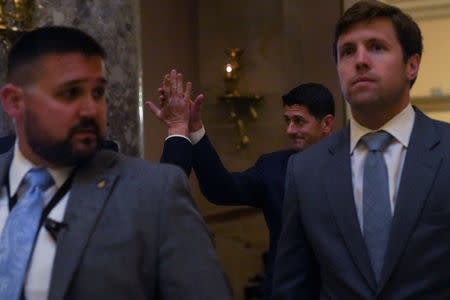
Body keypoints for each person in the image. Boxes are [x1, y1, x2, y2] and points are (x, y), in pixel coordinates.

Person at [0, 26, 231, 300]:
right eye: (70, 93)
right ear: (15, 102)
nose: (90, 109)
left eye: (98, 93)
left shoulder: (155, 193)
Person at [273, 1, 450, 299]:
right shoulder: (305, 169)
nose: (361, 60)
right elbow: (293, 285)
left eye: (377, 47)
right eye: (348, 52)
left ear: (412, 65)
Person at [147, 72, 335, 299]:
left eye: (299, 121)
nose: (290, 130)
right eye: (288, 121)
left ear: (326, 124)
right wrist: (194, 128)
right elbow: (221, 189)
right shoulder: (273, 167)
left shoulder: (351, 165)